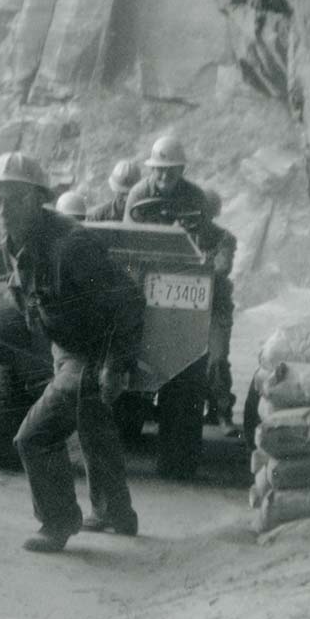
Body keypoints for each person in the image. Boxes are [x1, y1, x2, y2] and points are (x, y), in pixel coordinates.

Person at [0, 151, 145, 553]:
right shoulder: (14, 236)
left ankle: (56, 523)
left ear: (38, 200)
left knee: (33, 436)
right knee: (93, 426)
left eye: (13, 199)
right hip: (65, 344)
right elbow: (6, 263)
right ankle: (116, 513)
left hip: (93, 352)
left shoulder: (71, 246)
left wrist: (115, 365)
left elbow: (130, 301)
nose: (2, 209)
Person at [124, 134, 238, 432]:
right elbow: (129, 238)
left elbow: (202, 242)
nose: (163, 175)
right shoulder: (138, 194)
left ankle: (218, 409)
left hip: (186, 280)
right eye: (158, 169)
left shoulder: (196, 199)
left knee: (208, 355)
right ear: (150, 169)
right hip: (147, 273)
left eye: (170, 170)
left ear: (181, 171)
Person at [85, 157, 142, 222]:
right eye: (122, 194)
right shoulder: (98, 216)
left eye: (129, 194)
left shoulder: (98, 215)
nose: (126, 199)